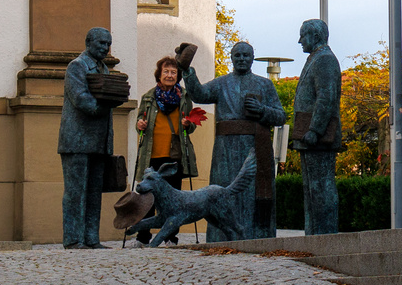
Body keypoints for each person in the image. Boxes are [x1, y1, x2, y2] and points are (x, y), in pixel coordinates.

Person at [183, 41, 285, 241]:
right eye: (237, 55)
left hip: (253, 147)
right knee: (223, 191)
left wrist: (262, 110)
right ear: (231, 58)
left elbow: (280, 116)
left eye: (246, 55)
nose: (241, 59)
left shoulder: (265, 85)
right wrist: (187, 72)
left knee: (250, 193)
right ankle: (221, 236)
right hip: (225, 149)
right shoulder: (221, 83)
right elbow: (199, 94)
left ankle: (254, 235)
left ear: (253, 58)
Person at [59, 27, 118, 249]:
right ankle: (74, 239)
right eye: (102, 43)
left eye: (108, 44)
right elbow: (81, 99)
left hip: (98, 141)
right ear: (88, 42)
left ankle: (92, 238)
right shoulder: (77, 66)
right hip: (76, 140)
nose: (105, 48)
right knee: (76, 192)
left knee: (94, 192)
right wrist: (106, 104)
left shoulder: (104, 69)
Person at [131, 56, 199, 244]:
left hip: (174, 155)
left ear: (178, 76)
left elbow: (191, 127)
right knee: (147, 199)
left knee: (174, 199)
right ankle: (143, 237)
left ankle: (171, 236)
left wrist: (187, 124)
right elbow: (139, 124)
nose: (169, 75)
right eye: (166, 72)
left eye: (173, 72)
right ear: (159, 75)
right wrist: (140, 125)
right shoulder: (148, 97)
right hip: (151, 156)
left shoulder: (184, 97)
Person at [289, 18, 341, 235]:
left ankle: (324, 235)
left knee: (321, 187)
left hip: (318, 137)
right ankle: (314, 234)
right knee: (312, 189)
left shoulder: (325, 60)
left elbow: (326, 98)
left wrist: (315, 130)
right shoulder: (315, 58)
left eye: (303, 35)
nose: (300, 40)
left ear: (316, 36)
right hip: (308, 135)